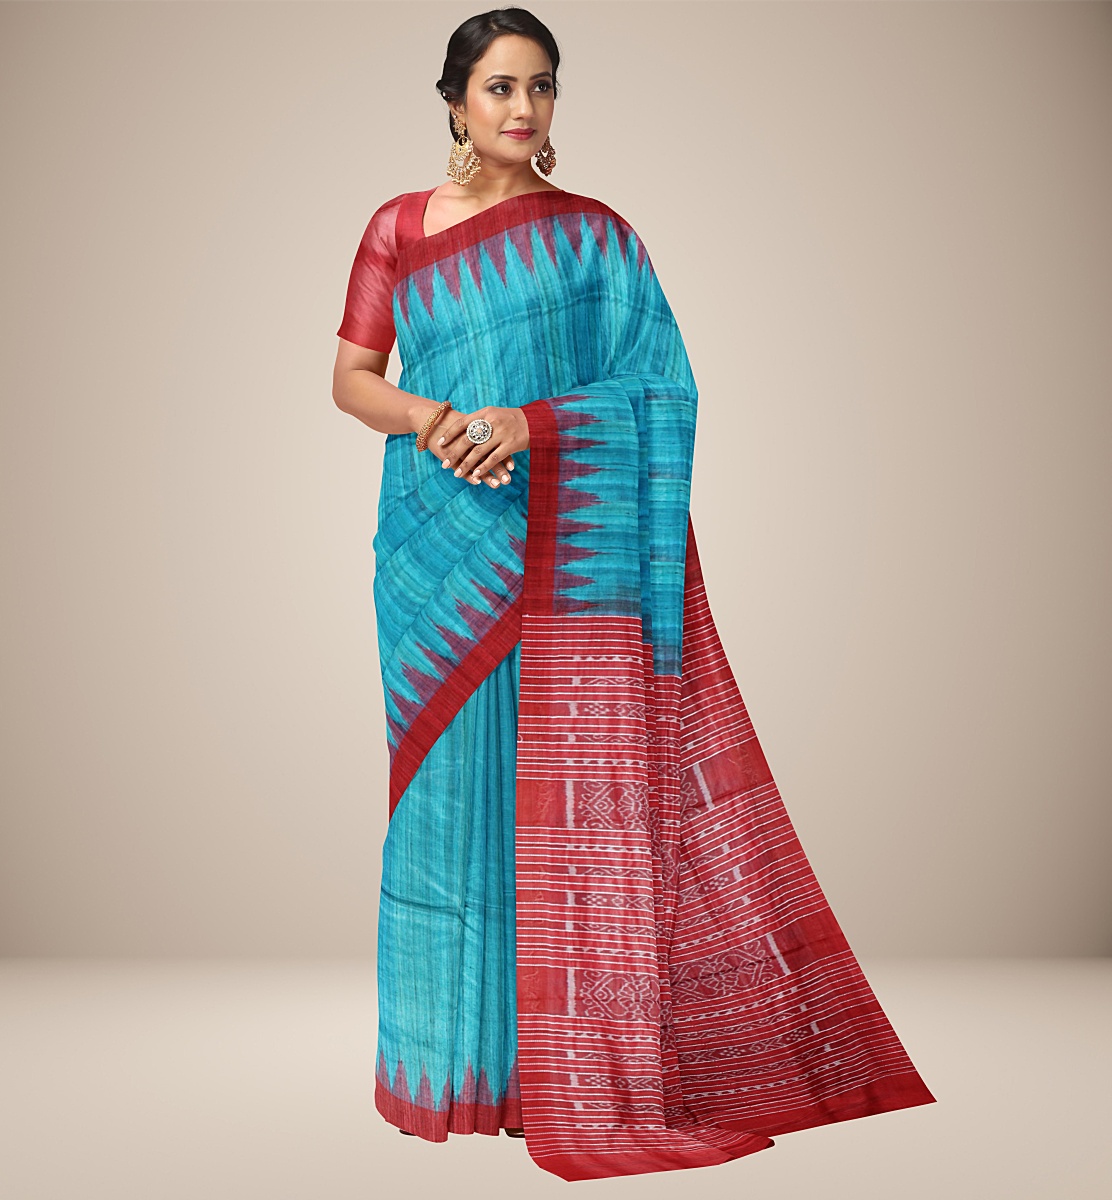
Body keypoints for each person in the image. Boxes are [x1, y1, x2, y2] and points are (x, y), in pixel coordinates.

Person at [332, 7, 936, 1184]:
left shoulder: (598, 239)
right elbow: (353, 379)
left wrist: (531, 425)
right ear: (454, 101)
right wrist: (435, 419)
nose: (522, 107)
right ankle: (445, 1079)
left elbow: (664, 391)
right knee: (447, 811)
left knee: (560, 814)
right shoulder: (396, 228)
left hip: (568, 565)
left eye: (541, 86)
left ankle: (558, 1078)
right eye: (499, 86)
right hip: (436, 555)